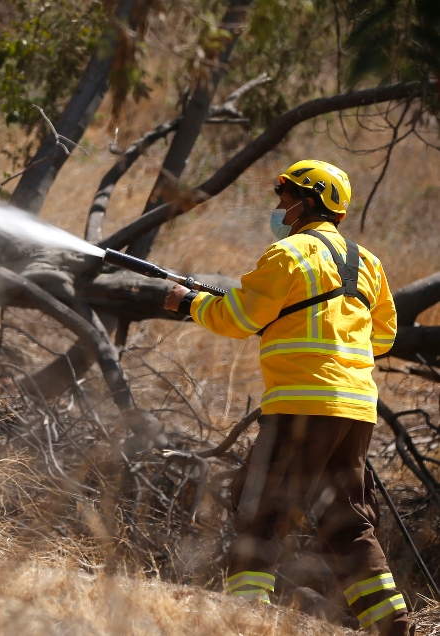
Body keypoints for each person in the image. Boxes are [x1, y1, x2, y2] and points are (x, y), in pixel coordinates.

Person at [163, 160, 411, 635]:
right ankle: (392, 627)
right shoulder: (369, 263)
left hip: (301, 405)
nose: (279, 208)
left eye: (285, 197)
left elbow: (237, 317)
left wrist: (189, 303)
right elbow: (383, 338)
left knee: (260, 508)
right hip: (356, 411)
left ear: (308, 201)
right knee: (348, 523)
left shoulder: (288, 255)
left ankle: (242, 619)